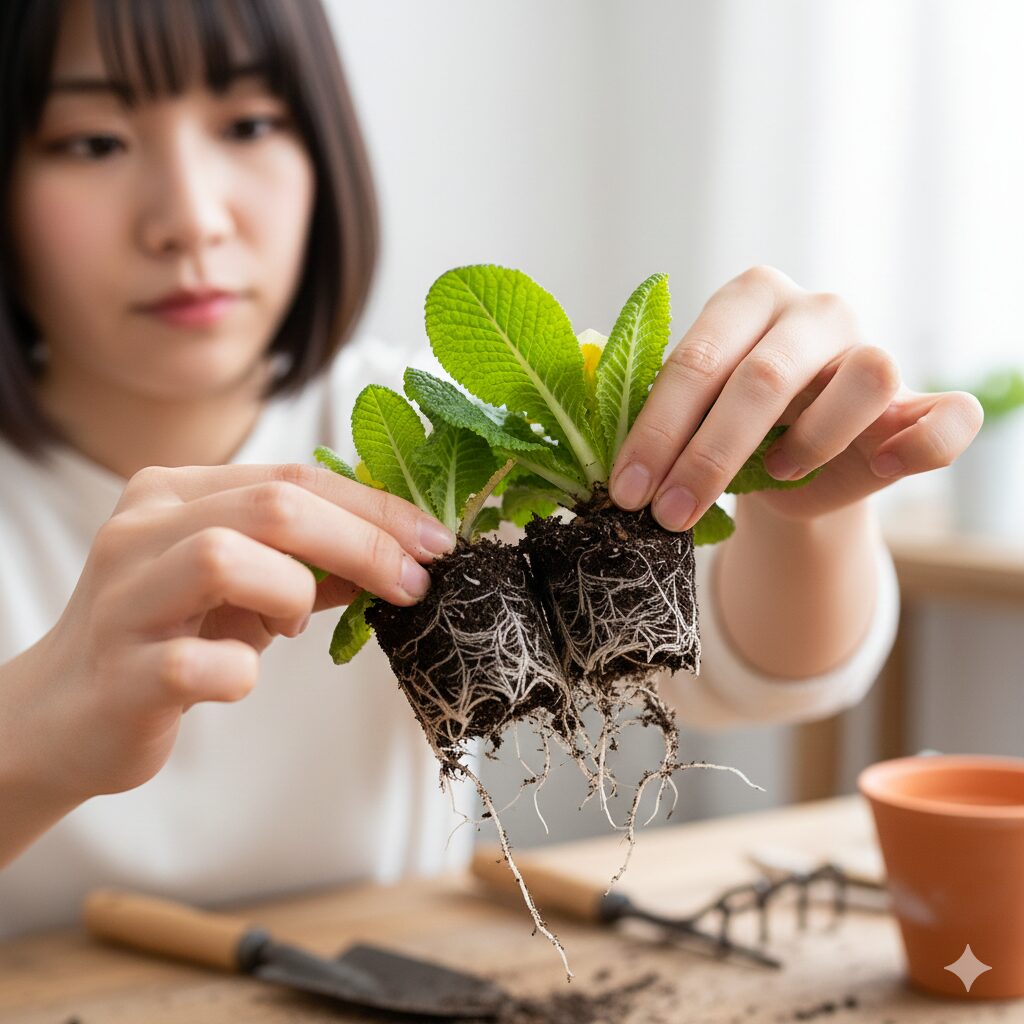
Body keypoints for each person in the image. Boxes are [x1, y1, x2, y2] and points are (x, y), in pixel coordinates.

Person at [0, 0, 982, 939]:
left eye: (250, 124)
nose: (189, 217)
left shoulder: (446, 434)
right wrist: (29, 735)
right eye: (92, 142)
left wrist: (798, 502)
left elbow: (751, 670)